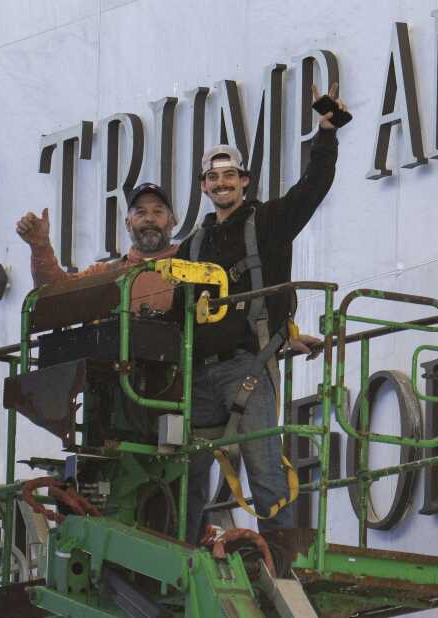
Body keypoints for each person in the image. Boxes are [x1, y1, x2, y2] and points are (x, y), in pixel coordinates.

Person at [181, 83, 348, 540]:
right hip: (199, 373)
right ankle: (188, 545)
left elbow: (312, 189)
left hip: (247, 367)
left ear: (245, 181)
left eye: (230, 176)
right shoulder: (193, 244)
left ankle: (281, 554)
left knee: (263, 464)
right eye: (213, 179)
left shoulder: (269, 223)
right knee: (186, 473)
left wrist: (327, 132)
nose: (222, 184)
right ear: (203, 186)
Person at [16, 182, 179, 313]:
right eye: (141, 213)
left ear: (172, 221)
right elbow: (53, 296)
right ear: (128, 224)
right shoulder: (105, 273)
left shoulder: (192, 263)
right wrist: (40, 246)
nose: (149, 219)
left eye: (158, 212)